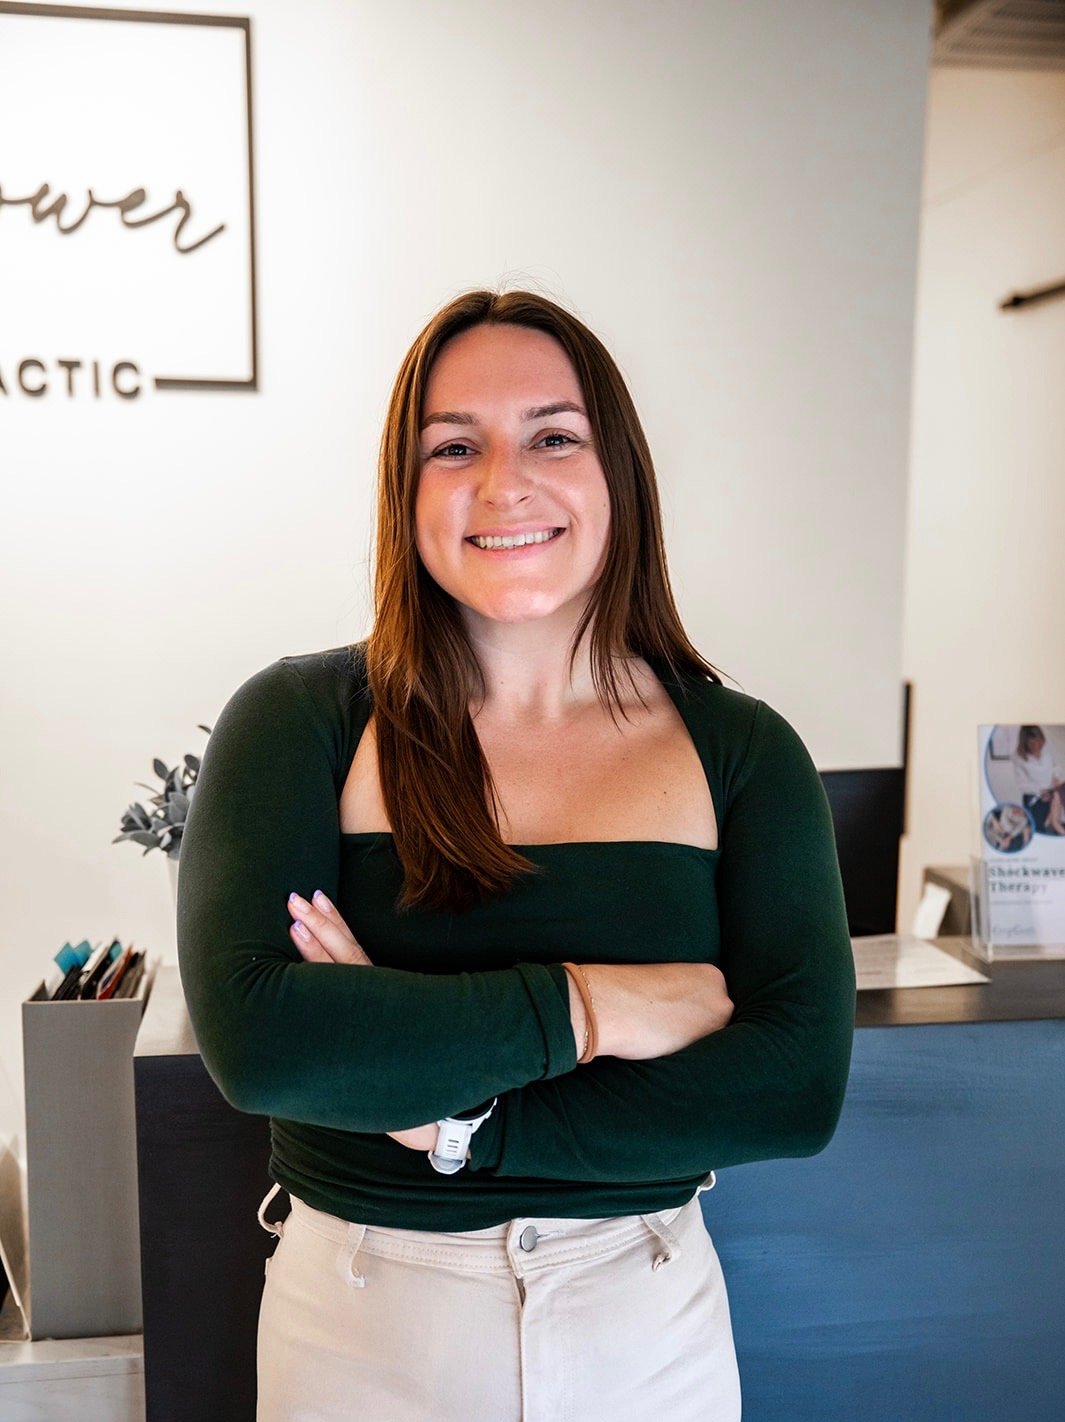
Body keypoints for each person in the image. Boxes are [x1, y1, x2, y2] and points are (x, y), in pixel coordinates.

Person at [176, 288, 856, 1421]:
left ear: (616, 471)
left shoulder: (741, 749)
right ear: (405, 490)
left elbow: (790, 1090)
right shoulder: (298, 721)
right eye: (454, 447)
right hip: (361, 1325)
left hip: (646, 1323)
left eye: (553, 437)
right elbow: (263, 1042)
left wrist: (446, 1120)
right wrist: (596, 1007)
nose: (504, 483)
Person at [1011, 725, 1065, 835]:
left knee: (1055, 821)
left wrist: (1056, 776)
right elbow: (1022, 785)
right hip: (1035, 795)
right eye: (1032, 743)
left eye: (1039, 741)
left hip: (1053, 789)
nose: (1037, 746)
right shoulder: (1018, 757)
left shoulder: (1048, 746)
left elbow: (1056, 766)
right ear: (1025, 743)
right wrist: (1040, 790)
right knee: (1041, 829)